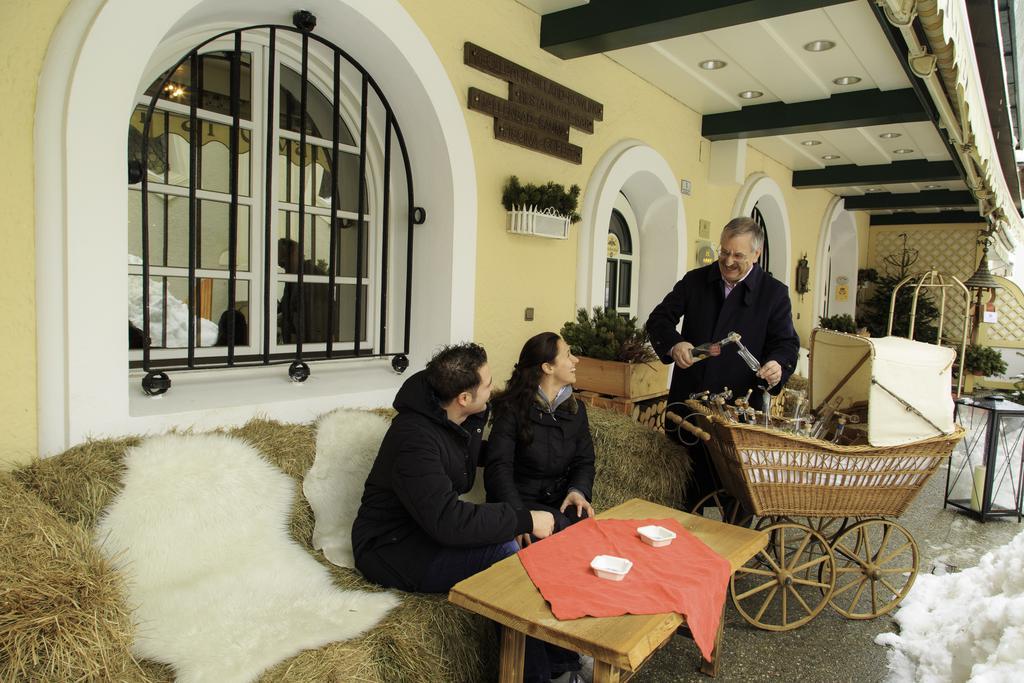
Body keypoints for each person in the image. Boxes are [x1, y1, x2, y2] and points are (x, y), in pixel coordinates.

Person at [351, 343, 582, 683]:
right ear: (463, 397)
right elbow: (449, 522)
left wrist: (522, 454)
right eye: (488, 384)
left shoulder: (456, 418)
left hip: (425, 528)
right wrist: (524, 518)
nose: (494, 388)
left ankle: (563, 662)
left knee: (522, 548)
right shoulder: (414, 439)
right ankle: (536, 676)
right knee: (507, 555)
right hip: (392, 548)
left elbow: (470, 453)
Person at [646, 216, 800, 501]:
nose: (728, 261)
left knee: (737, 495)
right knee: (685, 492)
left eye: (738, 255)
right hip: (690, 404)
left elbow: (786, 343)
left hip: (738, 412)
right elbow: (658, 320)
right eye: (724, 252)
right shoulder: (695, 281)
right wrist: (675, 343)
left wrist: (777, 364)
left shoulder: (775, 294)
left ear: (756, 254)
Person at [487, 332, 596, 549]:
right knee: (556, 532)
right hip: (517, 503)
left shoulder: (576, 410)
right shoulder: (511, 409)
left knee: (584, 525)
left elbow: (584, 461)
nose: (576, 360)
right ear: (548, 368)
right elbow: (498, 469)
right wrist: (520, 518)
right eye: (568, 355)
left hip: (557, 499)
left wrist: (577, 490)